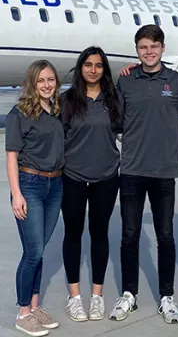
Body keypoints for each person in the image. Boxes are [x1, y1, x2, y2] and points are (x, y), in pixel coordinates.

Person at [109, 25, 178, 324]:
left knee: (165, 235)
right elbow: (114, 118)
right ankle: (129, 294)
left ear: (162, 48)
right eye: (143, 47)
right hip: (132, 168)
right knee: (130, 235)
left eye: (154, 46)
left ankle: (166, 297)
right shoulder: (126, 81)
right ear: (137, 50)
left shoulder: (177, 81)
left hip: (164, 170)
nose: (149, 52)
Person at [60, 47, 122, 322]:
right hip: (72, 177)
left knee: (100, 234)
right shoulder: (67, 100)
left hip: (106, 177)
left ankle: (97, 295)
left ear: (104, 70)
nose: (93, 70)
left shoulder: (115, 99)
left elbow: (134, 127)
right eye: (88, 65)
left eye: (98, 65)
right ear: (80, 68)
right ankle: (74, 297)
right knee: (73, 234)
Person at [5, 60, 64, 336]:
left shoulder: (57, 112)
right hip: (29, 184)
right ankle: (23, 312)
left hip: (55, 186)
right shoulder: (19, 114)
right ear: (32, 83)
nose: (46, 85)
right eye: (41, 80)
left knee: (40, 251)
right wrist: (16, 194)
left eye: (51, 79)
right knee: (33, 252)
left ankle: (35, 306)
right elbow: (11, 157)